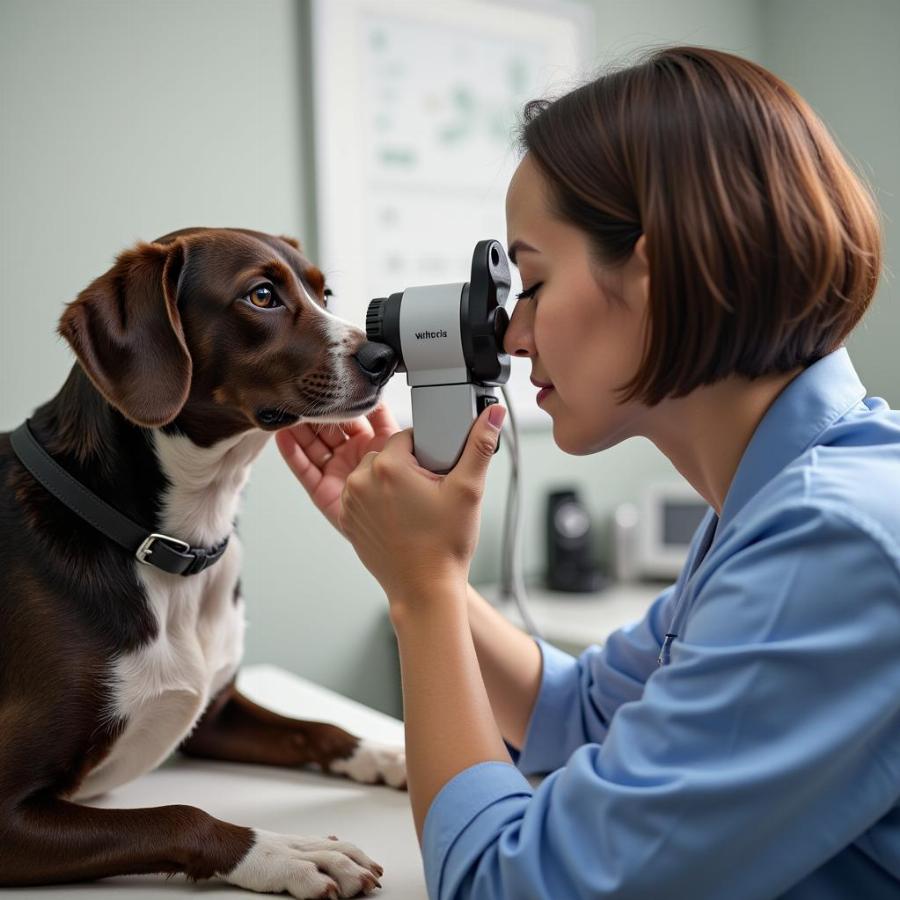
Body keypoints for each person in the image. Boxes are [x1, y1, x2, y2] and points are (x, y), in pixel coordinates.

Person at [277, 46, 900, 899]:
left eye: (530, 282)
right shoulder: (780, 498)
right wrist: (414, 568)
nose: (512, 335)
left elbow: (514, 885)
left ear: (652, 270)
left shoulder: (835, 542)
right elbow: (578, 715)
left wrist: (424, 593)